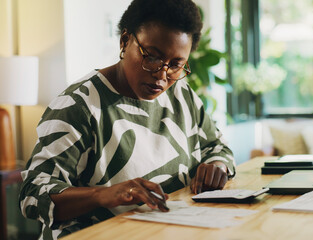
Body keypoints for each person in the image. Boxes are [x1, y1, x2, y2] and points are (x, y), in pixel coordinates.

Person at [19, 0, 236, 239]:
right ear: (125, 41)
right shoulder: (79, 105)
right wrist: (104, 194)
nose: (161, 76)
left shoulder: (181, 95)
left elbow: (217, 146)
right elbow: (33, 194)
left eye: (176, 65)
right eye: (152, 57)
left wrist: (217, 166)